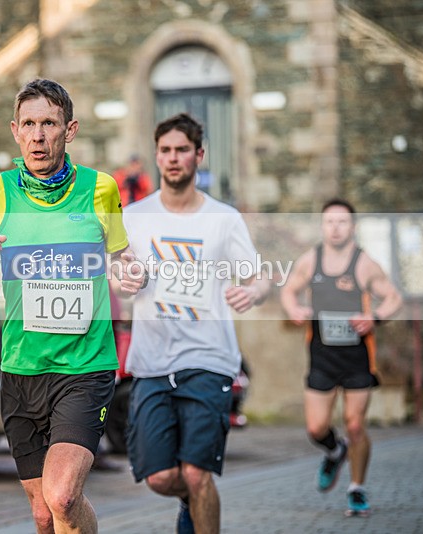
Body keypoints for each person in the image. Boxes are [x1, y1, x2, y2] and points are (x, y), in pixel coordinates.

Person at [0, 78, 143, 533]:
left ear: (69, 130)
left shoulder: (100, 189)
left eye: (48, 123)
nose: (38, 135)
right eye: (28, 124)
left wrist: (134, 274)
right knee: (42, 513)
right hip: (22, 370)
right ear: (15, 130)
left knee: (63, 496)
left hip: (84, 368)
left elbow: (124, 263)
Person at [122, 113, 270, 534]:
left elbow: (258, 276)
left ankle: (197, 496)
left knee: (197, 473)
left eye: (182, 150)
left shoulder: (223, 218)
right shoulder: (134, 217)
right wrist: (124, 278)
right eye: (165, 150)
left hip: (210, 359)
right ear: (156, 156)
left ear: (198, 155)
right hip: (151, 363)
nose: (173, 158)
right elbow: (119, 274)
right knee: (163, 477)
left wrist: (252, 292)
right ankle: (190, 498)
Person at [280, 199, 402, 516]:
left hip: (356, 358)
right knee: (316, 428)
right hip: (321, 355)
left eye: (342, 222)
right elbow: (289, 290)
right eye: (330, 222)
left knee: (355, 424)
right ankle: (335, 451)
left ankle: (356, 489)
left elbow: (393, 297)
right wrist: (294, 309)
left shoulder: (364, 264)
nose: (335, 228)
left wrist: (374, 317)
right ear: (322, 227)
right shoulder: (311, 260)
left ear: (353, 227)